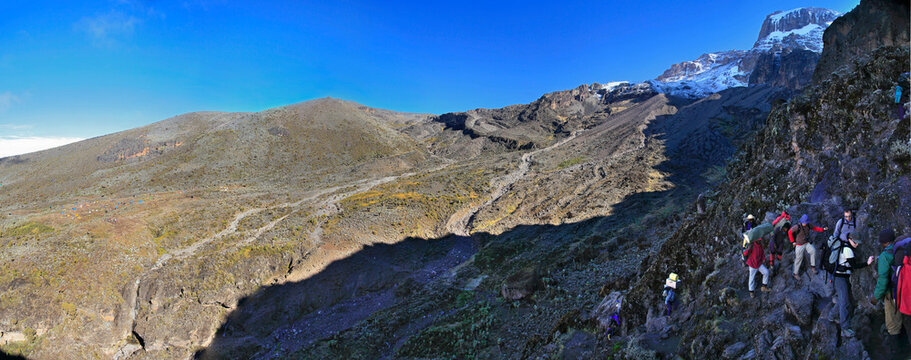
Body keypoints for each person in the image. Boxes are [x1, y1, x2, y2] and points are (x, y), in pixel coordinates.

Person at [831, 232, 874, 338]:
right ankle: (844, 328)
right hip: (840, 278)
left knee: (843, 298)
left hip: (838, 276)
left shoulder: (844, 246)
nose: (857, 244)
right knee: (844, 302)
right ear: (850, 239)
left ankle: (831, 316)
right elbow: (854, 265)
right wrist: (867, 263)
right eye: (856, 242)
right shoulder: (847, 250)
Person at [789, 214, 828, 280]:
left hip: (806, 243)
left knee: (813, 251)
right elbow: (789, 232)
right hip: (799, 245)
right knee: (799, 259)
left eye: (806, 222)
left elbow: (815, 228)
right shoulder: (797, 226)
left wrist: (822, 229)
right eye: (804, 222)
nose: (805, 224)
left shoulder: (808, 225)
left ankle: (813, 266)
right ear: (801, 221)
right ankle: (795, 273)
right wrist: (793, 241)